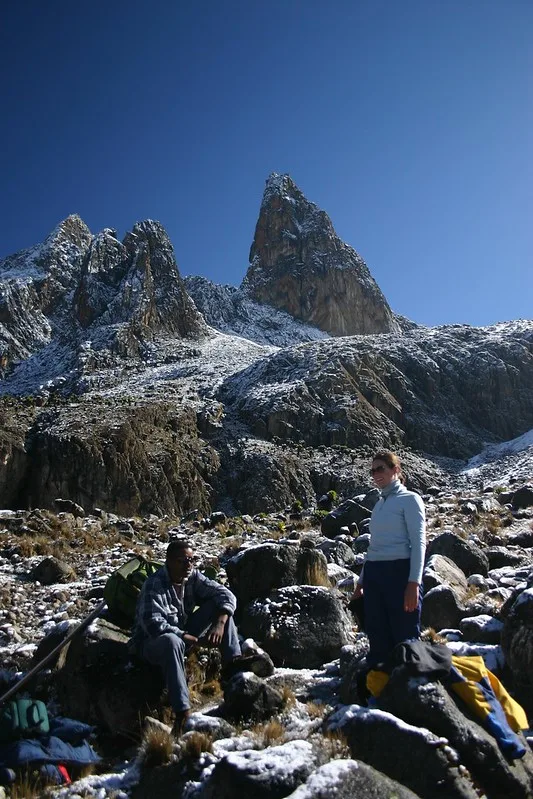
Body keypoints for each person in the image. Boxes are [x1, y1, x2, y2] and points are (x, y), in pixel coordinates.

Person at [130, 539, 249, 732]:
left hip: (184, 634)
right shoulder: (154, 585)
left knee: (220, 610)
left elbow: (226, 594)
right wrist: (189, 638)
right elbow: (153, 625)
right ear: (169, 561)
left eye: (191, 560)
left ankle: (234, 673)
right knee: (172, 641)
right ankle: (182, 713)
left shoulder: (191, 577)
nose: (188, 565)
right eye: (182, 560)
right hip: (152, 643)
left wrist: (219, 623)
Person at [351, 450, 426, 668]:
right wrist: (361, 582)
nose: (375, 474)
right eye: (372, 470)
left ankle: (409, 688)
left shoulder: (410, 499)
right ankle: (379, 686)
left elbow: (419, 543)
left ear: (396, 470)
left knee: (405, 634)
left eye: (380, 468)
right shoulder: (379, 504)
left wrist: (414, 583)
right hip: (375, 575)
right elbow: (373, 547)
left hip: (399, 573)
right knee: (377, 632)